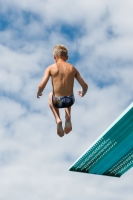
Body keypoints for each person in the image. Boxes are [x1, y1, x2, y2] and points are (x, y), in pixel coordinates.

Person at [37, 44, 88, 137]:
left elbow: (41, 85)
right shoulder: (72, 68)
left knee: (50, 95)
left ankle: (58, 119)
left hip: (57, 101)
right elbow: (85, 86)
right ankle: (68, 116)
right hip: (70, 100)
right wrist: (83, 92)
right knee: (68, 94)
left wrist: (38, 93)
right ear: (67, 57)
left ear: (54, 57)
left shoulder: (51, 68)